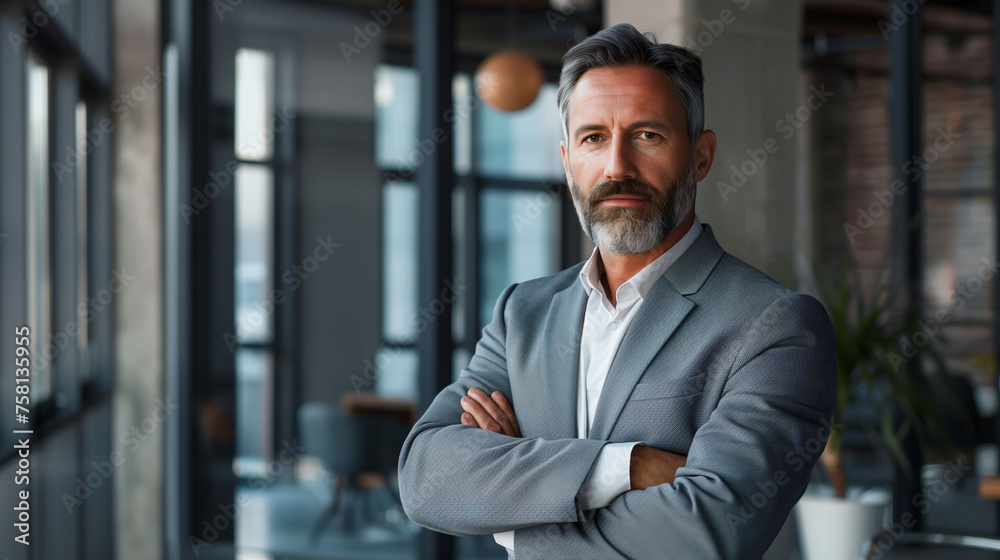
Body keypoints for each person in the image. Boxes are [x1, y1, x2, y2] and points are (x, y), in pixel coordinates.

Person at [397, 23, 836, 560]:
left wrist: (514, 518)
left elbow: (709, 533)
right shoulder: (524, 314)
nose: (617, 167)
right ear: (567, 160)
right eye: (593, 138)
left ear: (701, 156)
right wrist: (627, 465)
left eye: (648, 135)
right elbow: (426, 477)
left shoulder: (778, 325)